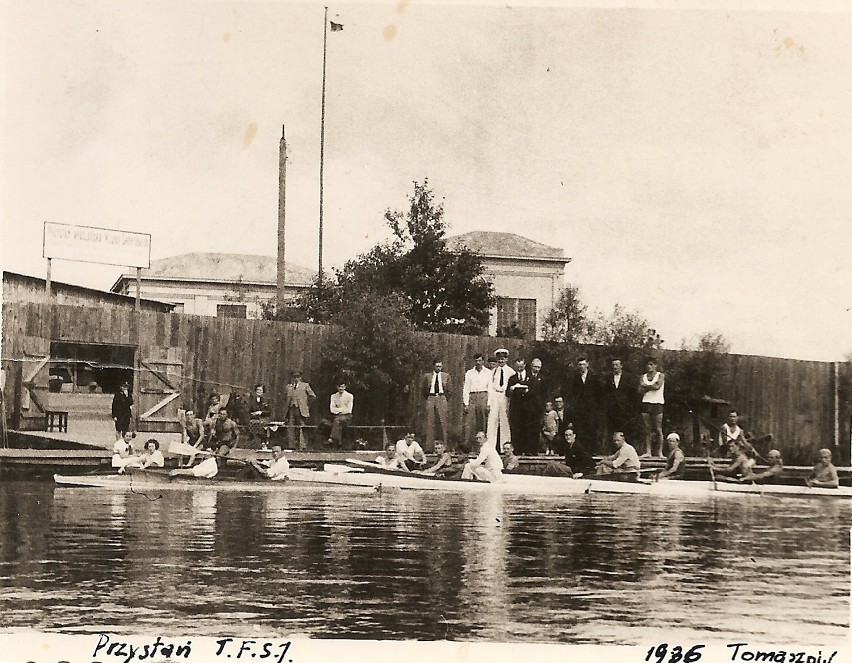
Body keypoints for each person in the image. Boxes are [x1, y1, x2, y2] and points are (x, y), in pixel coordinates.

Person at [566, 358, 599, 453]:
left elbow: (599, 394)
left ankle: (592, 451)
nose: (581, 366)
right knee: (580, 430)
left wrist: (595, 408)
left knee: (591, 430)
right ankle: (581, 451)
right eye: (580, 364)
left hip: (591, 410)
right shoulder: (575, 378)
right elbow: (572, 394)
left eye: (583, 364)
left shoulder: (594, 377)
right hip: (579, 410)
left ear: (587, 365)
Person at [486, 349, 515, 451]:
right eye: (499, 359)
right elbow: (490, 386)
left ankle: (505, 447)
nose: (501, 361)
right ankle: (490, 447)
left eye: (503, 359)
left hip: (505, 396)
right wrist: (489, 402)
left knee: (505, 421)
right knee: (492, 421)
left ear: (506, 359)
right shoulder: (493, 371)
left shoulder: (511, 372)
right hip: (495, 395)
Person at [462, 353, 491, 452]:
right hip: (472, 397)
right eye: (476, 361)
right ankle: (468, 447)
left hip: (483, 396)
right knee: (469, 423)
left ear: (483, 361)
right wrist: (466, 403)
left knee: (482, 423)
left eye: (480, 360)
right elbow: (466, 388)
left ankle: (482, 447)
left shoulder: (488, 373)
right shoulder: (469, 373)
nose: (478, 363)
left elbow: (490, 388)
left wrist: (489, 403)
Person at [422, 359, 452, 453]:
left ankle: (444, 447)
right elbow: (423, 390)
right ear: (433, 366)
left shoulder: (446, 376)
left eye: (440, 366)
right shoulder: (427, 376)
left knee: (443, 423)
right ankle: (429, 448)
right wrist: (430, 397)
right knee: (430, 423)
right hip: (431, 398)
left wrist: (443, 397)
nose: (439, 368)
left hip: (442, 398)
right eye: (437, 366)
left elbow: (450, 390)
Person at [282, 370, 316, 450]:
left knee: (302, 426)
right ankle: (291, 445)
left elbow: (312, 396)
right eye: (294, 377)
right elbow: (284, 397)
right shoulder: (288, 387)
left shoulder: (305, 385)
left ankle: (302, 446)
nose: (296, 379)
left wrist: (306, 403)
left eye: (297, 377)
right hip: (291, 409)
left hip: (301, 409)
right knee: (291, 426)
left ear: (300, 377)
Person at [638, 358, 665, 458]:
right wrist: (649, 386)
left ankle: (659, 452)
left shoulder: (660, 375)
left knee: (658, 429)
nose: (649, 366)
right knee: (647, 429)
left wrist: (646, 387)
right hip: (646, 403)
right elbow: (640, 390)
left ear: (655, 365)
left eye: (651, 364)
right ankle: (648, 452)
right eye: (648, 364)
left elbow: (657, 386)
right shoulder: (643, 376)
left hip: (657, 403)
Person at [604, 358, 635, 442]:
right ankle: (613, 450)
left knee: (625, 429)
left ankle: (626, 449)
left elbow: (632, 393)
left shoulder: (628, 377)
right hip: (612, 408)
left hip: (625, 408)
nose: (615, 367)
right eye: (613, 365)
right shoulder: (608, 377)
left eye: (617, 365)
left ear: (621, 366)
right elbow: (606, 392)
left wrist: (630, 407)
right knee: (612, 429)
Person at [327, 381, 354, 448]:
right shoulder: (333, 396)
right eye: (339, 387)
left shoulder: (349, 396)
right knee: (327, 422)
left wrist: (338, 410)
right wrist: (341, 410)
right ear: (336, 387)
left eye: (342, 386)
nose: (340, 388)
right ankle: (339, 442)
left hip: (347, 417)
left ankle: (332, 438)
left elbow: (349, 410)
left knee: (337, 421)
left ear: (345, 387)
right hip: (336, 416)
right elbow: (332, 409)